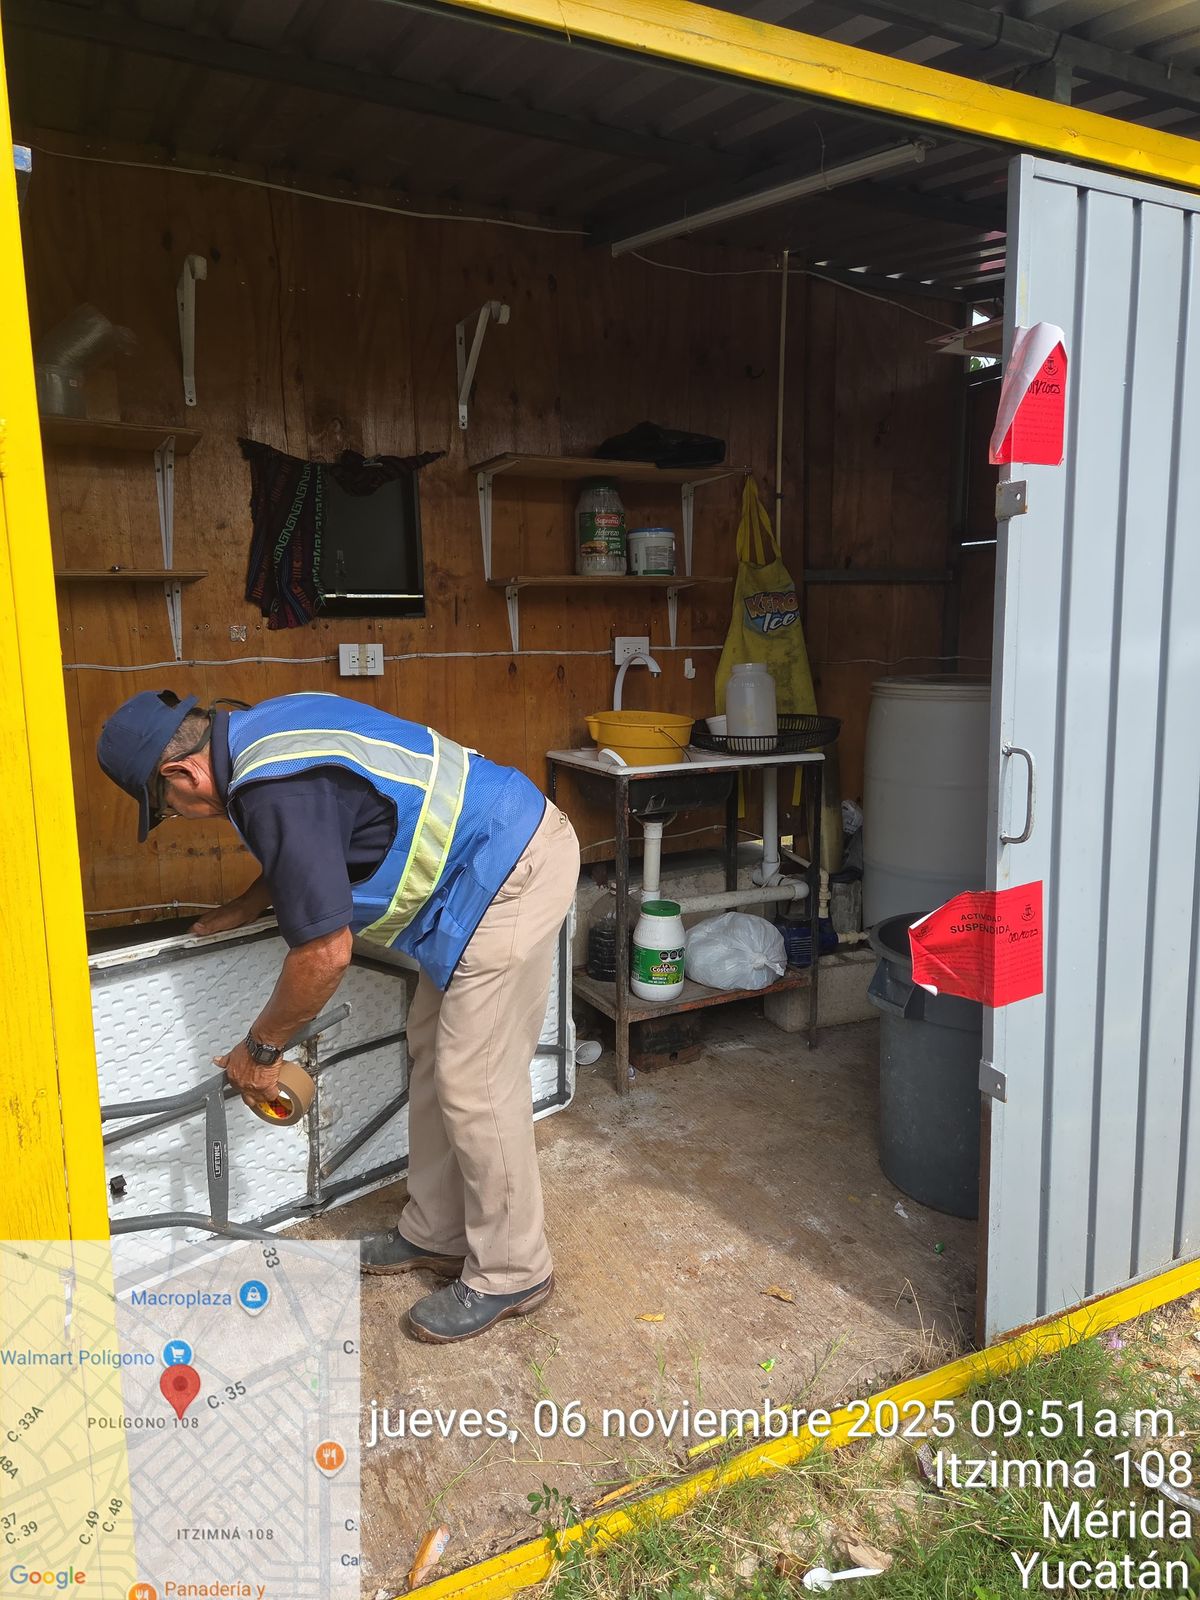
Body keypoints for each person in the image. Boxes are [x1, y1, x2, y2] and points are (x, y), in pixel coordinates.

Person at [96, 689, 579, 1344]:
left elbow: (324, 954)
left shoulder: (270, 790)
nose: (179, 816)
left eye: (167, 807)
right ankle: (435, 1232)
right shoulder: (255, 733)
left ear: (181, 773)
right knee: (435, 1056)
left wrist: (260, 1051)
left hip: (512, 865)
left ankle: (514, 1269)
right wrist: (250, 902)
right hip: (480, 869)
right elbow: (314, 841)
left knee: (478, 1083)